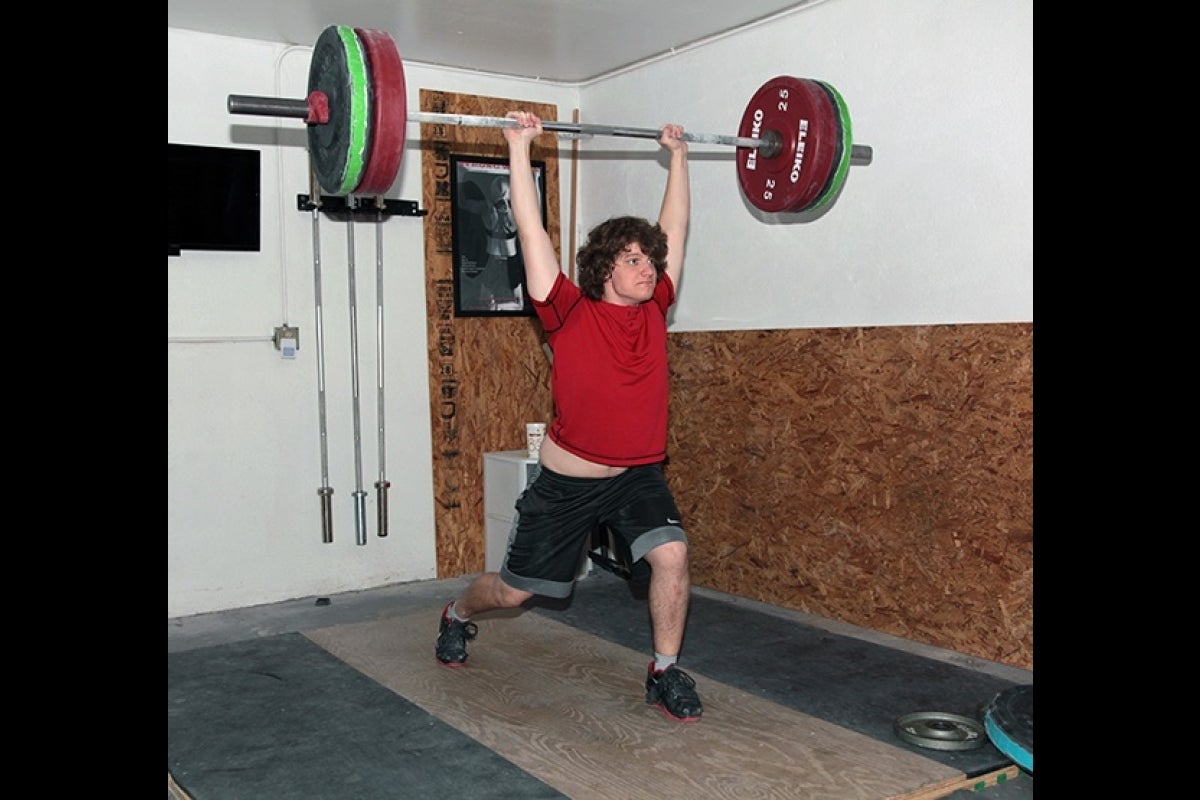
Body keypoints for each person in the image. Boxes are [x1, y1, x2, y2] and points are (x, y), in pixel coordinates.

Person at [436, 110, 702, 723]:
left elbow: (676, 229)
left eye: (650, 261)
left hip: (637, 474)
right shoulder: (568, 312)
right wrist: (518, 145)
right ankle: (457, 614)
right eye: (634, 260)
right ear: (605, 268)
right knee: (514, 591)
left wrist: (679, 156)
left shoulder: (657, 308)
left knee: (672, 556)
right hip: (567, 485)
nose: (649, 269)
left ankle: (664, 671)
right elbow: (530, 232)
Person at [456, 173, 525, 311]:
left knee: (511, 303)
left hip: (507, 261)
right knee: (488, 305)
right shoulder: (489, 210)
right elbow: (469, 205)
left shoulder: (516, 213)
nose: (504, 206)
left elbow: (520, 305)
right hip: (492, 260)